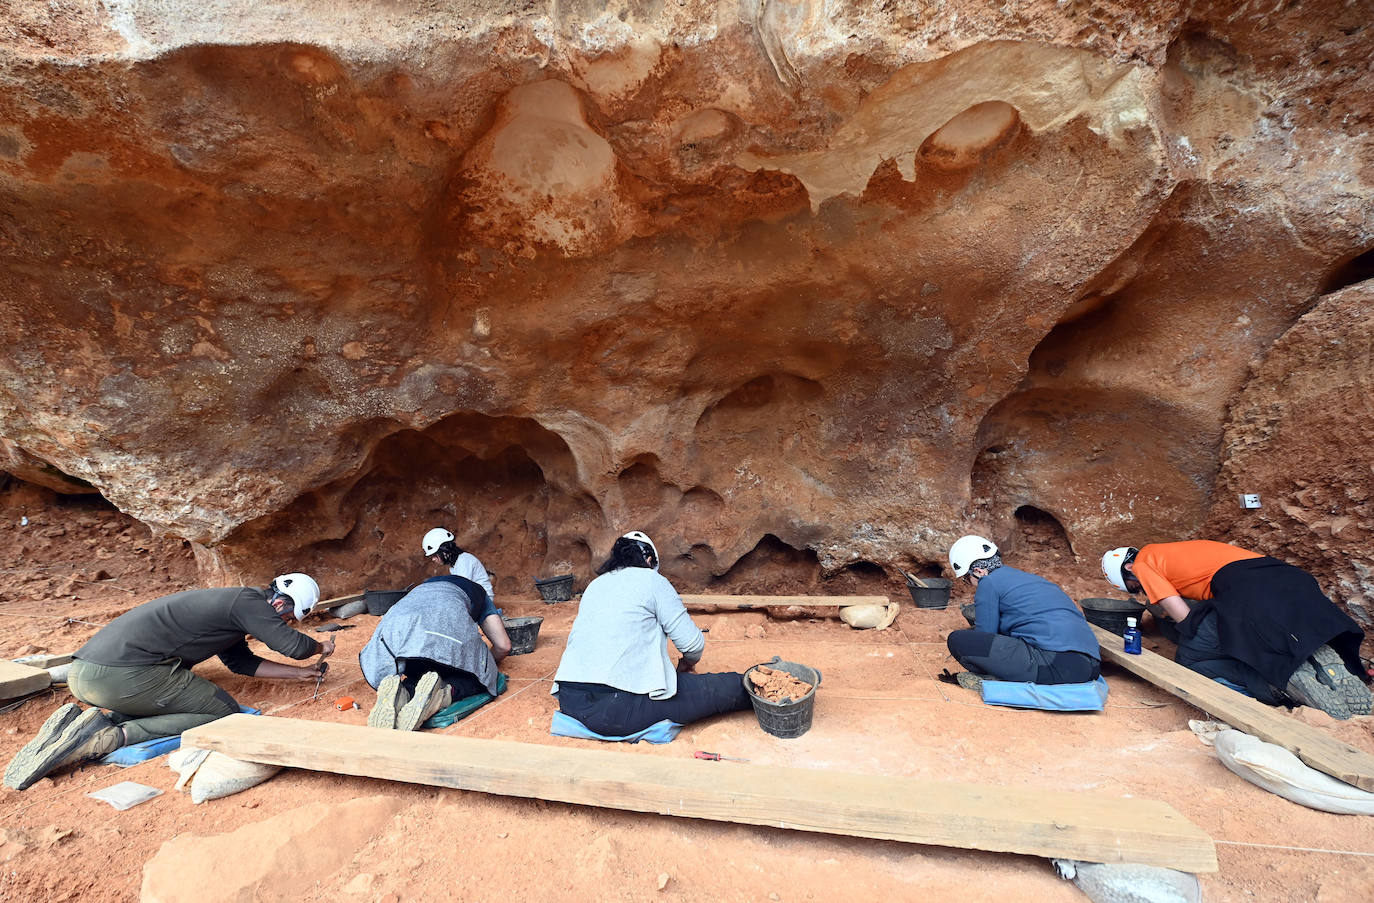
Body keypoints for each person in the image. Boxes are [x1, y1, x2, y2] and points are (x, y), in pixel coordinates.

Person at [3, 573, 330, 791]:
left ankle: (89, 723)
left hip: (87, 673)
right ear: (280, 603)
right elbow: (294, 646)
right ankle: (115, 735)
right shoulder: (248, 602)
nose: (284, 624)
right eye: (288, 618)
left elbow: (241, 662)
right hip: (118, 677)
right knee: (222, 711)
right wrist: (320, 646)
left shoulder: (234, 606)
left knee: (186, 697)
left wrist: (299, 674)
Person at [1101, 541, 1371, 718]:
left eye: (1135, 586)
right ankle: (1327, 665)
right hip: (1286, 577)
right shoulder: (1175, 550)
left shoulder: (1143, 563)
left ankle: (1274, 687)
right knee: (1286, 633)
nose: (1141, 590)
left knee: (1192, 657)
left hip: (1245, 589)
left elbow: (1183, 617)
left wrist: (1184, 629)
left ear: (1128, 567)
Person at [553, 531, 752, 735]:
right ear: (649, 561)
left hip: (572, 705)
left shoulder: (594, 586)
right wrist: (687, 663)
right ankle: (770, 685)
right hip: (620, 709)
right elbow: (693, 645)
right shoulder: (652, 580)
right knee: (729, 686)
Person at [944, 535, 1101, 692]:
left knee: (958, 639)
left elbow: (985, 636)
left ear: (978, 571)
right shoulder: (1029, 578)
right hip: (1091, 666)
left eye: (966, 578)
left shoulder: (988, 582)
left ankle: (995, 678)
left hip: (1058, 665)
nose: (969, 584)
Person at [360, 573, 510, 731]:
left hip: (401, 641)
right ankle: (441, 694)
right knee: (476, 679)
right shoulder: (478, 592)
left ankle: (401, 691)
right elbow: (503, 646)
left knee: (421, 672)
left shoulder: (421, 588)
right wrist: (485, 666)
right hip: (444, 632)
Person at [422, 527, 495, 607]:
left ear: (445, 550)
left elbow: (461, 590)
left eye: (435, 555)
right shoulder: (455, 564)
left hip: (484, 604)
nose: (433, 559)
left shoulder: (464, 561)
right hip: (476, 599)